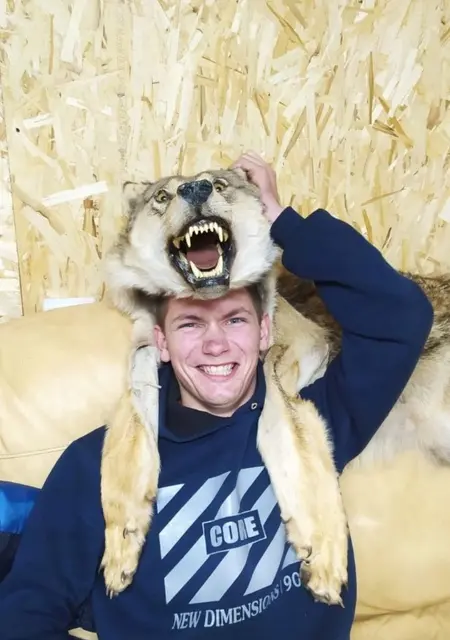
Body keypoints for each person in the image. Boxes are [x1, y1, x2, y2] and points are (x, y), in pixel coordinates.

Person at [0, 152, 433, 640]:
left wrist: (281, 220)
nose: (215, 344)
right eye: (190, 324)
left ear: (264, 331)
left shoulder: (316, 424)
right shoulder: (95, 467)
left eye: (234, 320)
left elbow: (402, 318)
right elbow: (25, 615)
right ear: (161, 343)